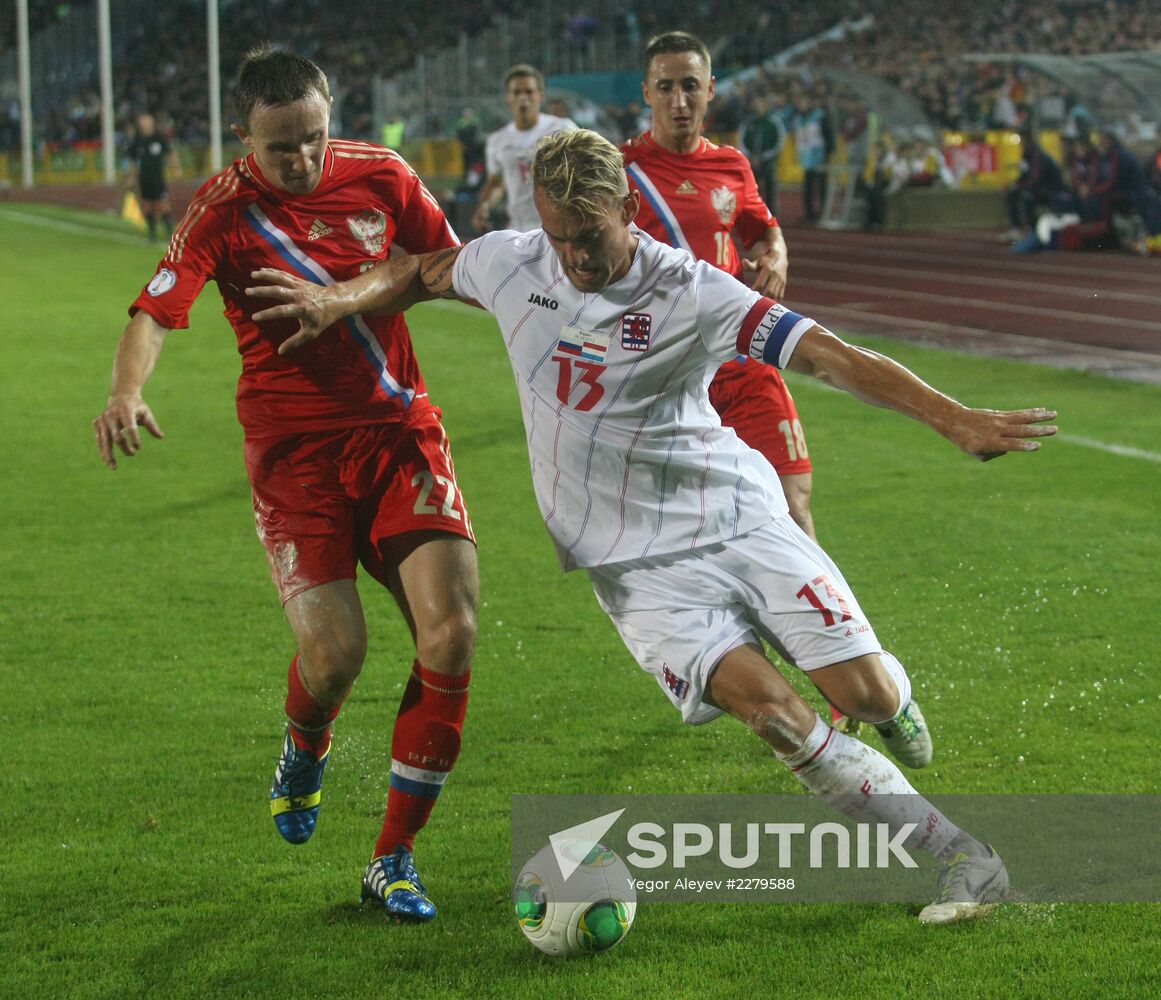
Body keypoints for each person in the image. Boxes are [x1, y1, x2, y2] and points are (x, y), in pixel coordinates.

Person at [247, 128, 1059, 924]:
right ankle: (962, 859)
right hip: (635, 571)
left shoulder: (692, 290)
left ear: (627, 207)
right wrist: (331, 299)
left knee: (866, 694)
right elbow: (420, 270)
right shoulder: (511, 261)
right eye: (560, 238)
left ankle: (893, 698)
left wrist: (952, 417)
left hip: (738, 521)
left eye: (591, 237)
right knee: (775, 715)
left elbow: (824, 356)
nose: (575, 259)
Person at [92, 45, 479, 923]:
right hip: (294, 458)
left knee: (451, 633)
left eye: (313, 138)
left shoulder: (381, 175)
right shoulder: (221, 213)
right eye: (280, 149)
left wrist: (342, 297)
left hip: (397, 433)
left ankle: (394, 859)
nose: (302, 161)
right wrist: (125, 390)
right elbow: (156, 308)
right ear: (242, 139)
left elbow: (441, 267)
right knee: (336, 655)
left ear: (329, 113)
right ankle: (305, 745)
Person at [622, 30, 841, 725]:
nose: (680, 99)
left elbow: (760, 228)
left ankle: (841, 666)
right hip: (665, 379)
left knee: (795, 509)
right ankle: (719, 656)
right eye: (666, 86)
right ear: (646, 94)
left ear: (710, 91)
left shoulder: (733, 165)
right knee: (679, 537)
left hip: (743, 363)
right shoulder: (620, 169)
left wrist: (773, 251)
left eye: (691, 85)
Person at [471, 64, 577, 233]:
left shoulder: (563, 130)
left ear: (540, 96)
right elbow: (497, 183)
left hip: (560, 229)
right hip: (519, 230)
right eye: (516, 92)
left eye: (528, 91)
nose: (523, 97)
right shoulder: (497, 140)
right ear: (508, 97)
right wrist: (484, 206)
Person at [125, 112, 182, 243]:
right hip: (143, 177)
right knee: (147, 206)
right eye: (142, 121)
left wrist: (176, 168)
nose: (144, 123)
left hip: (158, 177)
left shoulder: (159, 137)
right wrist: (131, 176)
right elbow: (132, 160)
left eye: (146, 121)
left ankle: (169, 231)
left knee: (163, 205)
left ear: (152, 122)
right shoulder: (137, 140)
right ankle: (152, 233)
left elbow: (171, 152)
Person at [1003, 130, 1066, 244]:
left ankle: (1032, 230)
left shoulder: (1038, 156)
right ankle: (1016, 228)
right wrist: (1014, 185)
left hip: (1048, 190)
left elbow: (1036, 179)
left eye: (1022, 141)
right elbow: (1024, 175)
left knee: (1027, 196)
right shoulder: (1026, 156)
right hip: (1036, 188)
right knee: (1011, 195)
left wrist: (1019, 187)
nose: (1021, 144)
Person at [739, 93, 787, 214]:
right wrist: (750, 155)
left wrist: (765, 156)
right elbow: (742, 140)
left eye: (762, 104)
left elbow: (780, 142)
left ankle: (771, 213)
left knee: (770, 186)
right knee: (752, 188)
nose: (759, 106)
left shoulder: (774, 122)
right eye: (757, 103)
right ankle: (754, 211)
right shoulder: (749, 122)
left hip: (768, 161)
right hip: (752, 160)